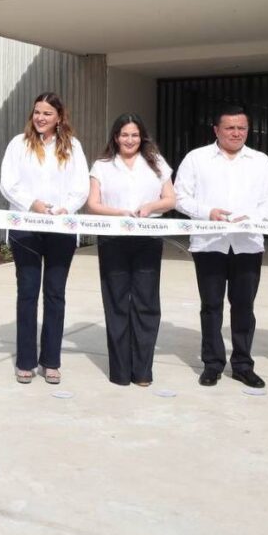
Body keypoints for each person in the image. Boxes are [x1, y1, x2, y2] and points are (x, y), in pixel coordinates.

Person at [174, 105, 268, 388]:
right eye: (230, 128)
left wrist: (254, 218)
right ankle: (212, 364)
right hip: (210, 243)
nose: (236, 133)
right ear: (216, 130)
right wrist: (207, 212)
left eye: (242, 128)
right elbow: (180, 196)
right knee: (211, 305)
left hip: (248, 244)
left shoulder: (260, 161)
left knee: (244, 305)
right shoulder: (196, 159)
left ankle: (243, 365)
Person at [0, 93, 89, 385]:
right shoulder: (18, 144)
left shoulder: (73, 146)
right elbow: (7, 184)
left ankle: (51, 361)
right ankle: (25, 361)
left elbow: (81, 187)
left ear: (59, 117)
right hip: (25, 227)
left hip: (61, 229)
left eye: (47, 113)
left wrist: (67, 208)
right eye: (37, 112)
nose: (40, 117)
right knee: (27, 292)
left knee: (55, 294)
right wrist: (32, 204)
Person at [87, 113, 175, 387]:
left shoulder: (156, 163)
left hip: (147, 238)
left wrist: (150, 207)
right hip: (113, 239)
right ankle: (120, 371)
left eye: (134, 135)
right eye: (124, 134)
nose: (129, 139)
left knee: (146, 303)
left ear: (142, 137)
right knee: (116, 303)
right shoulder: (102, 166)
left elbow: (170, 199)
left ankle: (143, 371)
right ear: (116, 137)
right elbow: (93, 204)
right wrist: (119, 213)